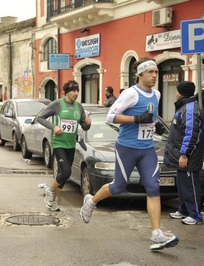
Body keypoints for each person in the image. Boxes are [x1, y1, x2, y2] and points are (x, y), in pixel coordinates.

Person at [79, 57, 179, 251]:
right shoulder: (131, 94)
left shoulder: (157, 94)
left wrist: (155, 125)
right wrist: (136, 119)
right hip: (127, 148)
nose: (154, 75)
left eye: (156, 72)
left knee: (153, 187)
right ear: (139, 74)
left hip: (147, 148)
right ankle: (91, 202)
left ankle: (157, 234)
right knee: (117, 187)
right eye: (150, 72)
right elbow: (110, 116)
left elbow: (149, 115)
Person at [37, 80, 91, 211]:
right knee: (67, 172)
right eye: (73, 90)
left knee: (63, 174)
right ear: (66, 92)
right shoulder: (57, 104)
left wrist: (88, 123)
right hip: (58, 143)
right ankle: (50, 190)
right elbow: (40, 118)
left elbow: (84, 125)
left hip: (71, 144)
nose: (76, 93)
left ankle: (52, 200)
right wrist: (54, 127)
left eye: (77, 90)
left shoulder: (79, 107)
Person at [164, 81, 204, 225]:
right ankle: (184, 210)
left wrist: (185, 154)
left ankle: (195, 215)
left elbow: (191, 133)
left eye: (177, 90)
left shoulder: (190, 109)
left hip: (189, 157)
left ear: (181, 93)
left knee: (190, 185)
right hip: (182, 155)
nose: (175, 92)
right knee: (182, 185)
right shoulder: (184, 107)